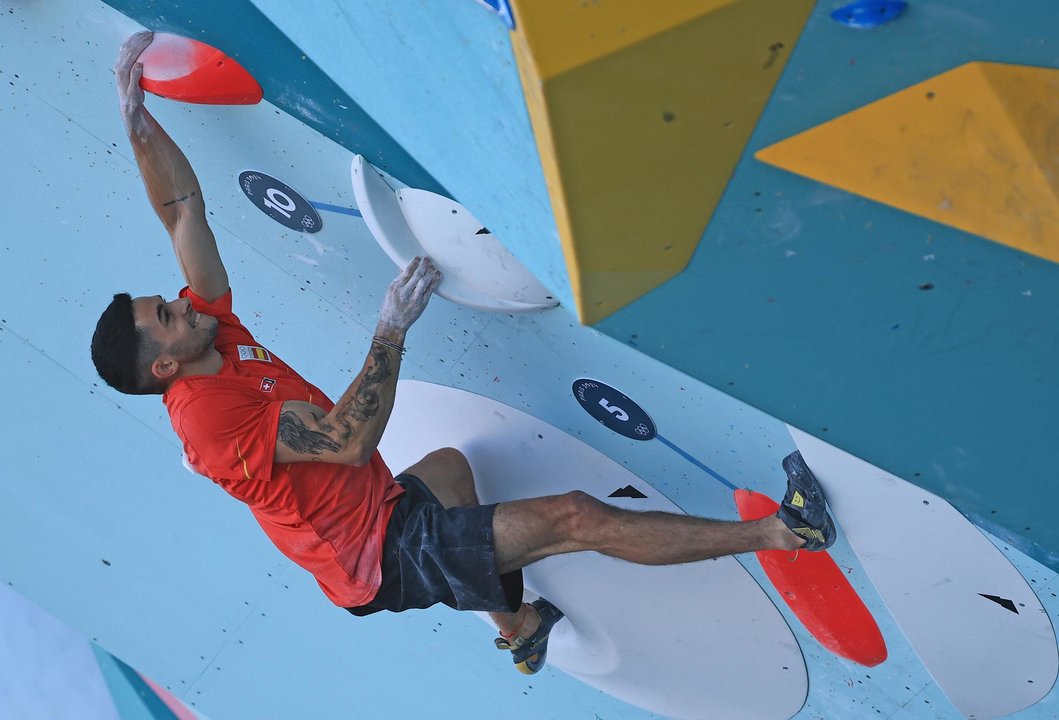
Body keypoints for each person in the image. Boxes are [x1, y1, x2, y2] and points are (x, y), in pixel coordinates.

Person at [92, 31, 836, 676]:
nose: (183, 301)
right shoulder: (209, 421)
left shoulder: (209, 333)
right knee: (574, 517)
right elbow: (348, 444)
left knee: (448, 468)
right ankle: (786, 531)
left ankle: (518, 628)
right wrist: (391, 327)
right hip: (383, 554)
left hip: (373, 517)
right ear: (165, 365)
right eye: (167, 314)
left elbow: (182, 210)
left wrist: (137, 123)